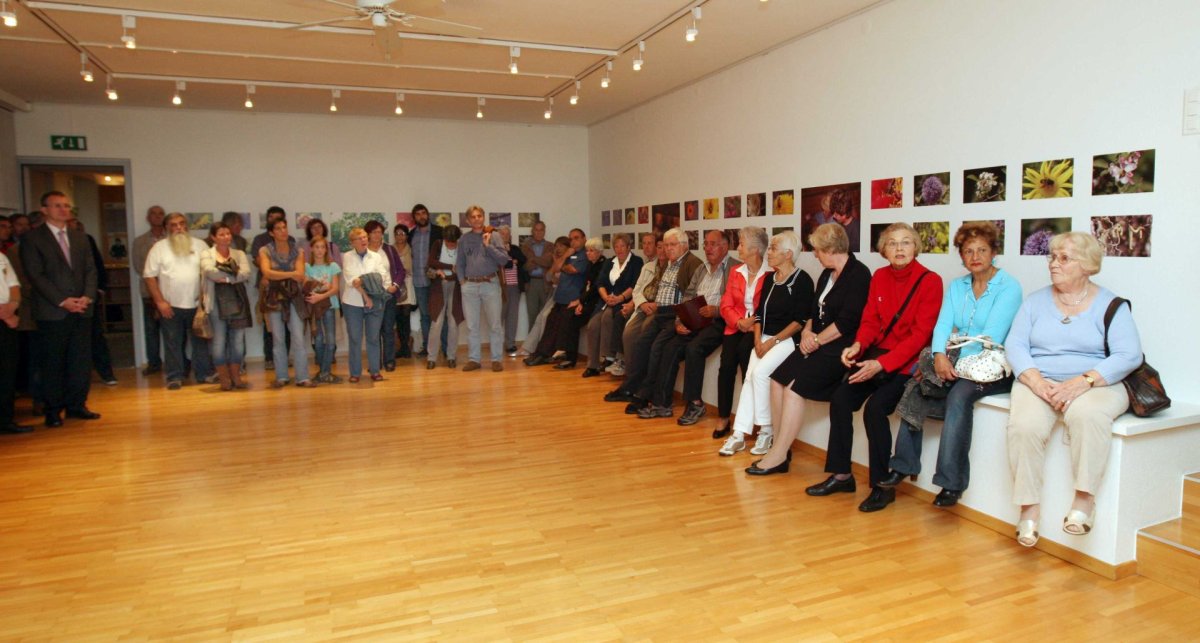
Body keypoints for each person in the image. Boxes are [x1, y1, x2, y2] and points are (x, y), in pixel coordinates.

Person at [1005, 232, 1141, 547]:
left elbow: (1129, 355)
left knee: (1088, 415)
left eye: (1064, 258)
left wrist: (1082, 382)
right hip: (1040, 381)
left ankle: (1084, 500)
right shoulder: (1034, 302)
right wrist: (1035, 381)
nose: (1054, 264)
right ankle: (1028, 508)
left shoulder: (1111, 305)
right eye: (1052, 257)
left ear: (1087, 265)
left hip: (1095, 383)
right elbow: (1015, 344)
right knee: (1024, 426)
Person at [880, 222, 1022, 507]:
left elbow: (990, 338)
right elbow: (943, 324)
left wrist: (950, 361)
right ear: (961, 255)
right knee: (917, 384)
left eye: (982, 250)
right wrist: (938, 356)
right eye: (968, 251)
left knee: (958, 396)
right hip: (956, 358)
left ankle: (951, 483)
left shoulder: (1009, 287)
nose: (975, 256)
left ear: (994, 252)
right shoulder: (958, 286)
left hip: (991, 365)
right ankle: (903, 465)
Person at [802, 223, 942, 512]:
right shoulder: (879, 276)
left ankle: (882, 486)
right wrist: (858, 346)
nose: (899, 248)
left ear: (916, 247)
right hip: (874, 358)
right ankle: (842, 475)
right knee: (841, 398)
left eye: (906, 242)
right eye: (892, 243)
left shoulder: (930, 281)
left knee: (876, 409)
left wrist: (882, 364)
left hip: (904, 364)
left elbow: (920, 336)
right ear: (884, 250)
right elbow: (870, 321)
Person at [719, 231, 812, 454]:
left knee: (760, 375)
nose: (768, 252)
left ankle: (767, 430)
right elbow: (760, 314)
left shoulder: (802, 280)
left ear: (788, 254)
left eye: (773, 249)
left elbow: (799, 322)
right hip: (763, 338)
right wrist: (758, 340)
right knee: (749, 378)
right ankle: (739, 434)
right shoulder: (770, 278)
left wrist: (771, 343)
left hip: (786, 340)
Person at [635, 229, 737, 420]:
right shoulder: (702, 268)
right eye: (705, 244)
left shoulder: (735, 269)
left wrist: (716, 310)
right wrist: (679, 320)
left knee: (693, 348)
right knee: (670, 347)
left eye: (713, 244)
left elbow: (738, 301)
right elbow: (688, 296)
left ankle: (695, 403)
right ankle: (661, 404)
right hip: (696, 319)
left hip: (719, 321)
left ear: (725, 247)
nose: (707, 248)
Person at [20, 191, 101, 427]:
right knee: (53, 362)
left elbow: (91, 270)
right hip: (52, 311)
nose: (63, 209)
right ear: (44, 210)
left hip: (82, 309)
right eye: (57, 206)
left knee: (80, 361)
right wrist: (62, 300)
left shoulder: (80, 237)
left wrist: (87, 296)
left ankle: (77, 405)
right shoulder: (33, 238)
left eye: (66, 205)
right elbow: (36, 275)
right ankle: (53, 410)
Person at [603, 228, 704, 413]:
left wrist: (680, 319)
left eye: (672, 245)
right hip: (660, 313)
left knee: (657, 348)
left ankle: (646, 396)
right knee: (641, 344)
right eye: (666, 245)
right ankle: (631, 389)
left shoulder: (692, 263)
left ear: (684, 245)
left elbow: (693, 297)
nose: (668, 248)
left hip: (675, 315)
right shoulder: (671, 263)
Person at [704, 227, 770, 436]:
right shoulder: (736, 271)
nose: (738, 248)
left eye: (742, 244)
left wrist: (752, 322)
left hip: (758, 329)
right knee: (726, 367)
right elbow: (726, 304)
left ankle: (750, 421)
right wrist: (739, 322)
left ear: (755, 249)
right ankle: (724, 417)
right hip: (735, 327)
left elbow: (768, 306)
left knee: (747, 365)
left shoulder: (770, 273)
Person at [144, 212, 216, 390]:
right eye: (174, 225)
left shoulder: (200, 245)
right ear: (166, 228)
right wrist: (160, 302)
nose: (179, 228)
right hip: (170, 305)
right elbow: (149, 277)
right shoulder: (159, 248)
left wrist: (205, 298)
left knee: (200, 341)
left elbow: (209, 272)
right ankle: (174, 376)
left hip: (197, 304)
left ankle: (204, 374)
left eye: (182, 223)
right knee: (172, 342)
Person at [257, 216, 313, 387]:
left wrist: (279, 275)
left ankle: (302, 377)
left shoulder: (298, 250)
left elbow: (300, 274)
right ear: (271, 233)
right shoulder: (265, 250)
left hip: (294, 296)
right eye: (278, 228)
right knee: (278, 338)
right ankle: (281, 376)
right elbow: (267, 273)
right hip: (274, 296)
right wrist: (290, 274)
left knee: (298, 336)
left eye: (284, 227)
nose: (283, 231)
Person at [455, 205, 510, 372]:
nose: (476, 219)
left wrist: (488, 245)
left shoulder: (494, 236)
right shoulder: (464, 239)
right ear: (468, 220)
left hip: (490, 284)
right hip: (469, 286)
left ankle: (496, 360)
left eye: (479, 216)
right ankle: (474, 359)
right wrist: (462, 281)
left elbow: (504, 260)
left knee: (495, 325)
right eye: (473, 217)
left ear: (483, 217)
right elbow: (460, 263)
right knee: (472, 326)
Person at [523, 228, 589, 367]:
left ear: (584, 239)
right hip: (560, 298)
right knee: (549, 325)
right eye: (571, 239)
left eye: (576, 238)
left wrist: (563, 265)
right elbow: (556, 268)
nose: (573, 241)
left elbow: (572, 270)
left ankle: (556, 356)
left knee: (563, 326)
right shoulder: (569, 255)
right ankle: (540, 354)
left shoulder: (584, 255)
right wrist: (565, 257)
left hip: (572, 299)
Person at [200, 222, 252, 390]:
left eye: (228, 233)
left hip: (237, 299)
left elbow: (245, 273)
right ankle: (224, 378)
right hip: (216, 300)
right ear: (213, 237)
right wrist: (232, 271)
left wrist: (227, 278)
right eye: (221, 234)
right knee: (219, 340)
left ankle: (236, 376)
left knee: (238, 341)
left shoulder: (239, 253)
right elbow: (210, 272)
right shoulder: (207, 253)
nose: (226, 237)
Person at [582, 233, 642, 377]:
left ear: (629, 247)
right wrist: (606, 297)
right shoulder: (609, 262)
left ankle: (607, 358)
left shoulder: (636, 262)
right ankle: (592, 365)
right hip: (606, 301)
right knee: (592, 325)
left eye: (622, 246)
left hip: (624, 301)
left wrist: (620, 298)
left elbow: (635, 285)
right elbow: (600, 283)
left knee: (607, 318)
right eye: (616, 246)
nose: (619, 249)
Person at [68, 218, 118, 386]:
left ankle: (106, 373)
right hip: (62, 301)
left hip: (87, 297)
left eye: (74, 224)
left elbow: (96, 265)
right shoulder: (48, 242)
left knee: (95, 337)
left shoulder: (85, 239)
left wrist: (99, 289)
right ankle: (75, 377)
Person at [606, 233, 660, 377]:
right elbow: (638, 288)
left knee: (626, 323)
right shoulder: (647, 264)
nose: (646, 246)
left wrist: (630, 303)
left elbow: (644, 291)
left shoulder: (652, 264)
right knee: (618, 315)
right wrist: (631, 304)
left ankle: (628, 366)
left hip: (650, 307)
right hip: (639, 303)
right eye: (644, 243)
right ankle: (620, 361)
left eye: (650, 243)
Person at [252, 206, 292, 370]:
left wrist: (279, 271)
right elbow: (260, 262)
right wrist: (278, 271)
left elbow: (296, 268)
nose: (276, 221)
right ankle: (270, 358)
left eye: (279, 219)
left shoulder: (291, 241)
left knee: (288, 323)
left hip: (289, 288)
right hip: (268, 286)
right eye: (272, 218)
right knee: (270, 325)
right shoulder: (260, 240)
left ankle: (285, 357)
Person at [365, 220, 405, 371]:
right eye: (374, 232)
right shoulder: (363, 251)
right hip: (372, 296)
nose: (377, 235)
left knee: (388, 328)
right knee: (373, 331)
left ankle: (389, 360)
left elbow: (400, 270)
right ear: (368, 234)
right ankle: (375, 362)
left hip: (389, 294)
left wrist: (395, 285)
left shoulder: (389, 249)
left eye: (379, 232)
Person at [0, 247, 32, 433]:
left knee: (7, 371)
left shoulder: (2, 257)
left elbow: (14, 285)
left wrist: (13, 306)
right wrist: (6, 316)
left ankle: (5, 420)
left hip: (8, 319)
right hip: (6, 318)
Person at [132, 204, 168, 375]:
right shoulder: (139, 241)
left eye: (161, 214)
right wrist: (154, 281)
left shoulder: (171, 239)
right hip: (149, 291)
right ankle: (153, 363)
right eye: (154, 214)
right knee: (151, 329)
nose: (157, 216)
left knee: (172, 330)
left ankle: (178, 362)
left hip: (170, 291)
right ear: (148, 218)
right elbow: (139, 267)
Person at [305, 237, 343, 384]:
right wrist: (321, 288)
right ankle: (324, 372)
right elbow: (307, 287)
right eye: (317, 247)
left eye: (322, 247)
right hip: (314, 308)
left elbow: (335, 288)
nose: (320, 250)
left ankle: (324, 372)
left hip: (330, 306)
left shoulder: (332, 266)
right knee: (318, 339)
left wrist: (321, 294)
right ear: (312, 249)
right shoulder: (307, 267)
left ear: (326, 250)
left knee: (331, 340)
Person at [408, 204, 442, 357]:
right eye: (418, 214)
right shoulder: (411, 235)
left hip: (437, 281)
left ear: (428, 215)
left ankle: (445, 348)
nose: (421, 216)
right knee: (425, 316)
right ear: (414, 217)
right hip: (419, 281)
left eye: (423, 213)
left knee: (441, 315)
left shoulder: (438, 232)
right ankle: (428, 348)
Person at [426, 224, 462, 369]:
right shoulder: (438, 244)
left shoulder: (461, 246)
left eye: (453, 242)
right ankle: (431, 358)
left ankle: (451, 356)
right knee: (436, 322)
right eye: (448, 241)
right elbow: (431, 262)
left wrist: (452, 274)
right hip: (438, 286)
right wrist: (449, 267)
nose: (450, 244)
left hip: (456, 287)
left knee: (453, 323)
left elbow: (462, 266)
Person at [497, 225, 527, 356]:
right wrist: (512, 261)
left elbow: (522, 259)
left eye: (507, 234)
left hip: (515, 287)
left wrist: (510, 254)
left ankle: (510, 344)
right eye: (502, 234)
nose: (505, 236)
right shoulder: (494, 249)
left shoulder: (514, 248)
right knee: (498, 316)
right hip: (500, 288)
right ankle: (496, 345)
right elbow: (504, 264)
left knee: (512, 316)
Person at [521, 221, 553, 334]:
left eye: (541, 230)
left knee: (545, 315)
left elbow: (549, 262)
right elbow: (524, 266)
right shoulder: (525, 247)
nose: (539, 232)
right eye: (536, 230)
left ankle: (544, 342)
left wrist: (533, 259)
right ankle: (531, 343)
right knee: (532, 315)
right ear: (532, 231)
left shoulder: (551, 246)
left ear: (544, 231)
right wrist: (541, 260)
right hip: (531, 283)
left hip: (546, 283)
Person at [391, 223, 416, 359]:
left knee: (405, 317)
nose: (400, 236)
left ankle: (406, 347)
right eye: (397, 234)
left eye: (402, 234)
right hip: (395, 284)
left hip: (408, 283)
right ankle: (400, 346)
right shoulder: (390, 249)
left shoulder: (411, 249)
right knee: (396, 316)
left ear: (407, 235)